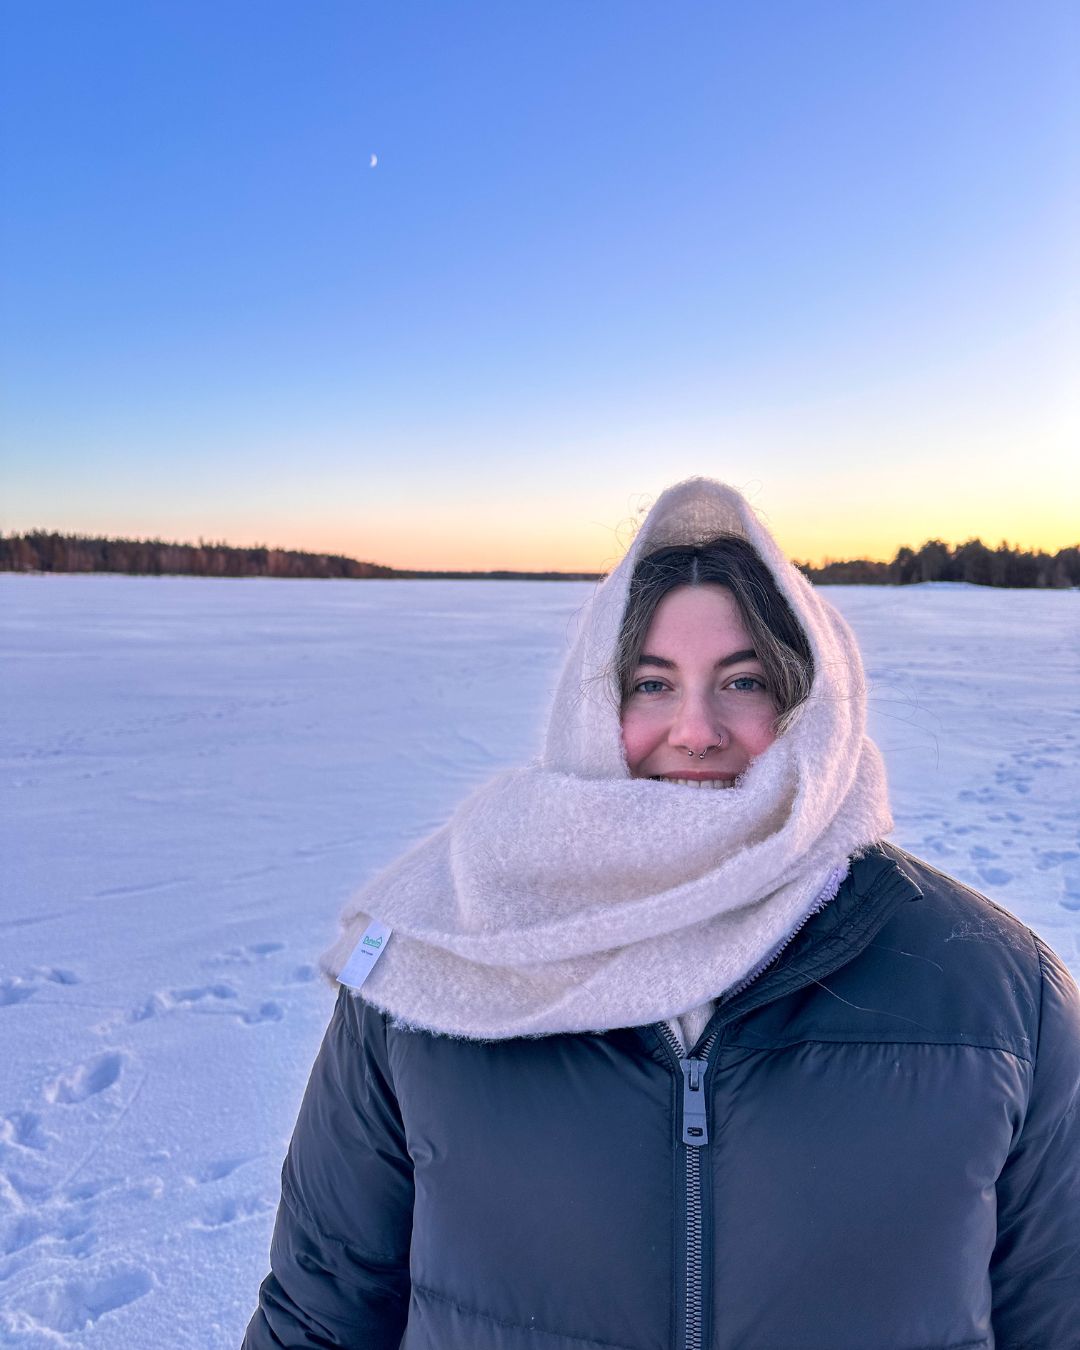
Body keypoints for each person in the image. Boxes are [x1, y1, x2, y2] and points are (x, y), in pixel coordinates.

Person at [243, 477, 1080, 1350]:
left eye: (744, 680)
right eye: (651, 683)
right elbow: (322, 1312)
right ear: (594, 704)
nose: (695, 729)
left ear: (808, 704)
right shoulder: (433, 962)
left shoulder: (1001, 994)